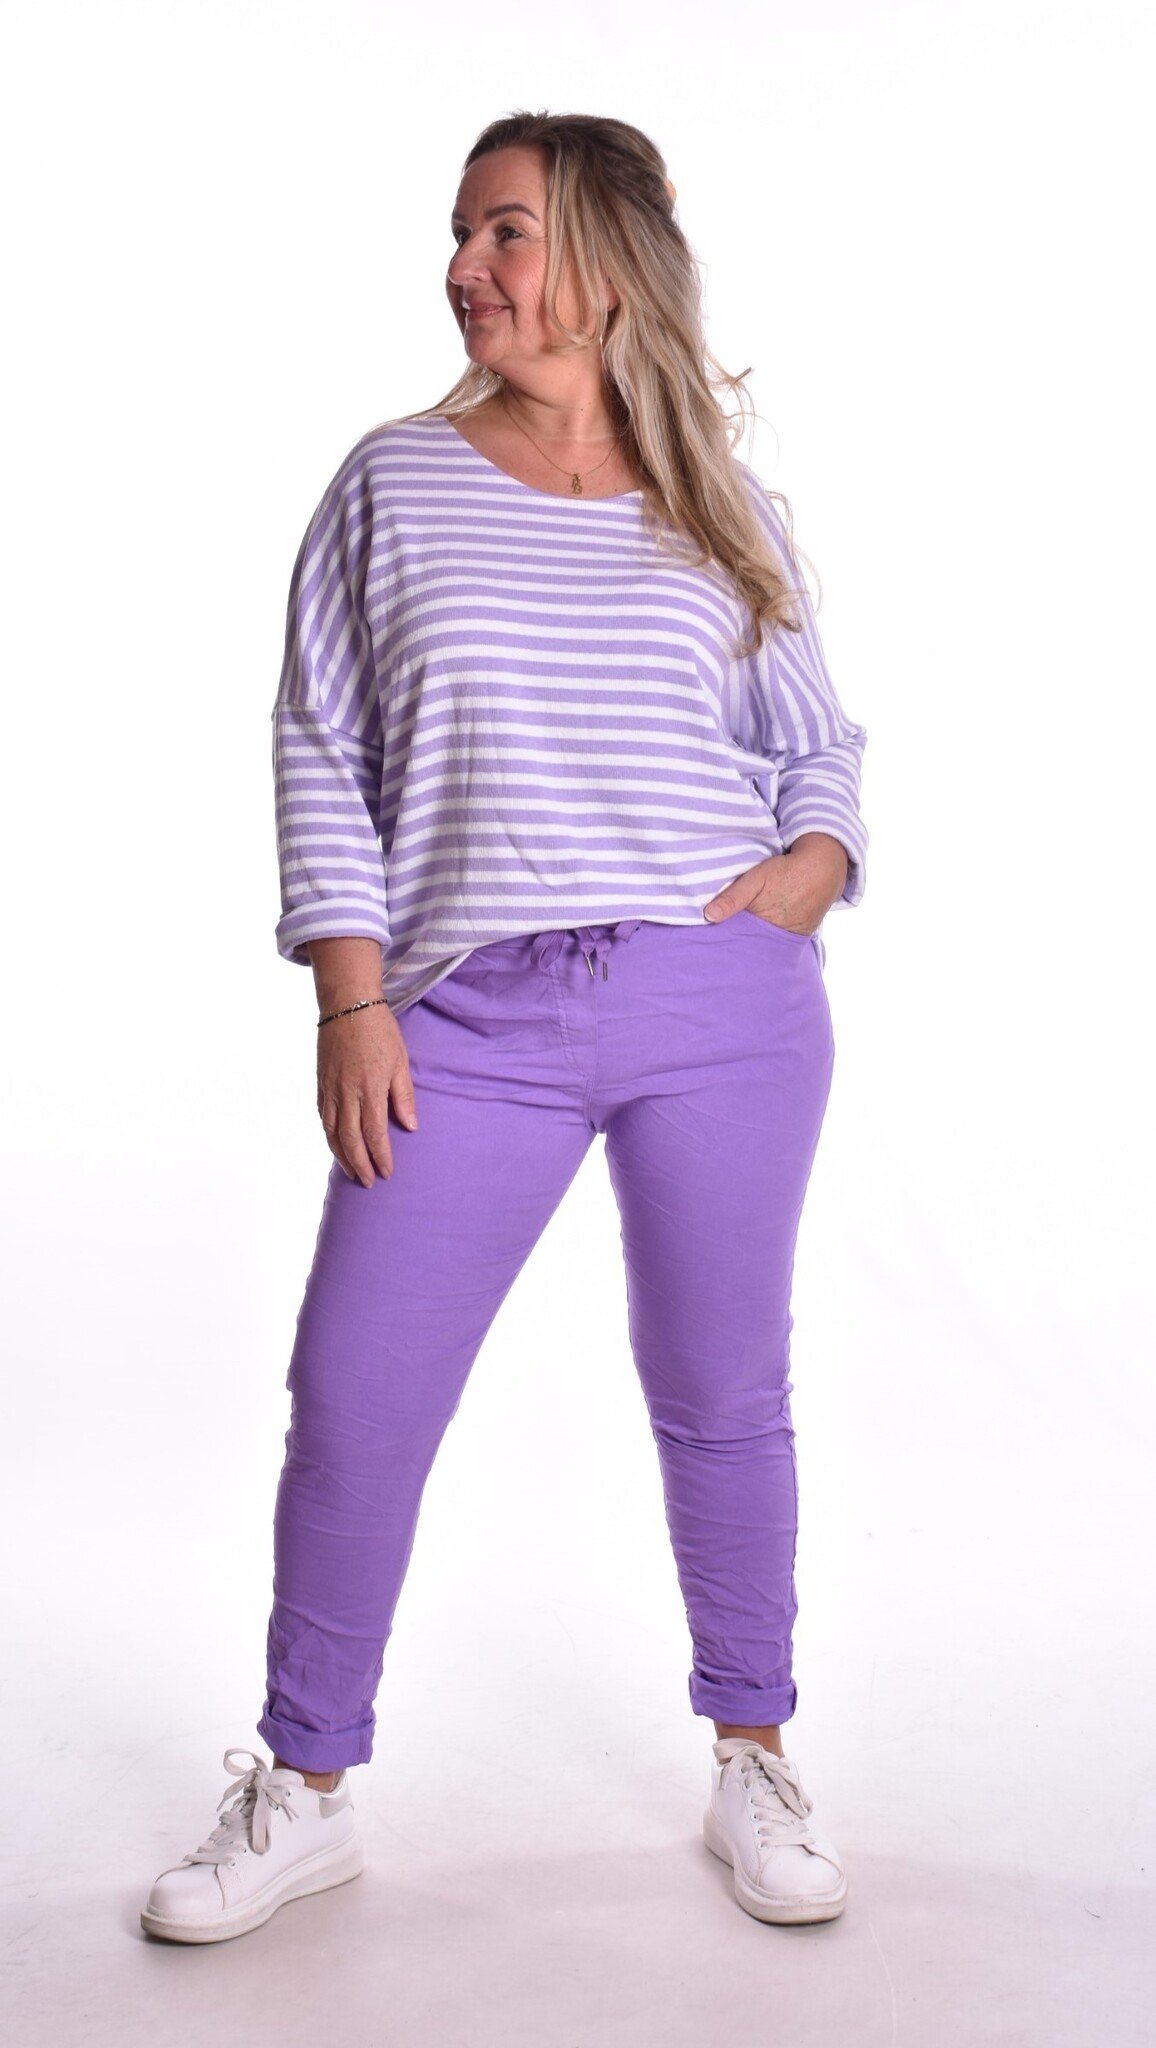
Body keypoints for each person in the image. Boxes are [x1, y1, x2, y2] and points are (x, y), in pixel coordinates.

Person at [141, 108, 868, 1946]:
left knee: (723, 1392)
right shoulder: (394, 480)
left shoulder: (721, 500)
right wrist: (350, 993)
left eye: (507, 232)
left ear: (606, 260)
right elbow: (322, 745)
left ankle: (756, 1754)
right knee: (358, 1395)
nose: (466, 266)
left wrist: (808, 870)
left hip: (720, 1001)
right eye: (461, 232)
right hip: (462, 1014)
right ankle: (305, 1783)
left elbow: (816, 741)